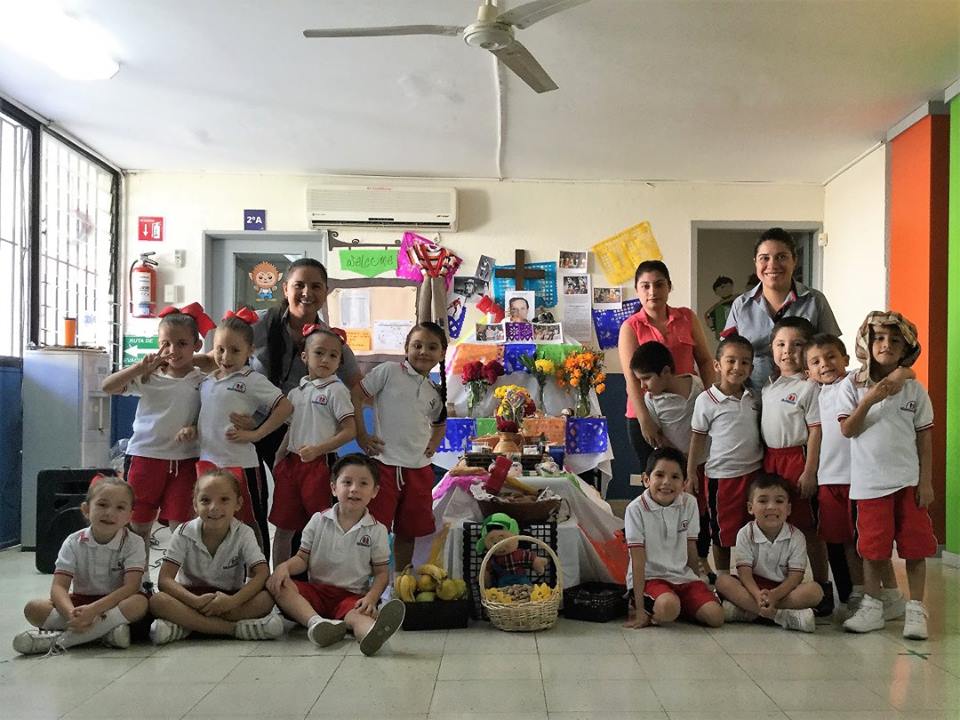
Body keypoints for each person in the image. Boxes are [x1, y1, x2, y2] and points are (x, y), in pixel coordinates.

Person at [839, 312, 935, 639]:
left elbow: (924, 438)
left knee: (916, 547)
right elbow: (848, 429)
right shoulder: (850, 385)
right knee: (872, 548)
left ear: (906, 346)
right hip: (869, 484)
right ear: (866, 342)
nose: (886, 345)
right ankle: (873, 606)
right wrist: (870, 398)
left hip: (908, 483)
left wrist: (926, 481)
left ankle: (916, 610)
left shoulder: (914, 390)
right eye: (879, 338)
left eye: (895, 340)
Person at [101, 302, 211, 579]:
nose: (173, 350)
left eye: (182, 343)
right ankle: (141, 582)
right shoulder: (148, 376)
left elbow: (210, 403)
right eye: (166, 343)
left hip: (185, 461)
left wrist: (194, 427)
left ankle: (182, 583)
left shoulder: (203, 380)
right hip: (145, 458)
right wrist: (139, 366)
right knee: (139, 525)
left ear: (196, 345)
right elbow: (107, 386)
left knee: (181, 526)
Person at [806, 334, 908, 617]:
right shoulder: (816, 392)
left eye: (831, 357)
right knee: (842, 540)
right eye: (816, 362)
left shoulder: (854, 383)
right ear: (809, 372)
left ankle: (891, 594)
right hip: (830, 479)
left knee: (868, 541)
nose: (825, 364)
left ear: (847, 361)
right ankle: (859, 592)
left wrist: (904, 372)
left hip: (859, 479)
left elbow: (903, 369)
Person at [267, 454, 405, 655]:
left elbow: (381, 573)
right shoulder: (318, 520)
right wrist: (284, 567)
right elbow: (301, 559)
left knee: (359, 616)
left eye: (363, 483)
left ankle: (371, 634)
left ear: (374, 491)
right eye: (347, 482)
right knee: (281, 586)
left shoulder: (377, 530)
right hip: (315, 593)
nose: (354, 489)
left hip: (350, 597)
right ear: (333, 488)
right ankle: (317, 623)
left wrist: (371, 597)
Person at [192, 310, 294, 553]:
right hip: (207, 463)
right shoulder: (206, 381)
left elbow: (286, 406)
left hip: (241, 465)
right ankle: (221, 574)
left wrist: (257, 433)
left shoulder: (252, 380)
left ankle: (259, 576)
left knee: (251, 523)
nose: (226, 357)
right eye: (220, 349)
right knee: (211, 521)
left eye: (235, 350)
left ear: (250, 351)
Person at [13, 476, 148, 655]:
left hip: (115, 605)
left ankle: (63, 641)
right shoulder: (73, 541)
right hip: (80, 604)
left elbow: (130, 587)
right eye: (102, 505)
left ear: (129, 516)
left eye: (120, 507)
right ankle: (104, 633)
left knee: (139, 603)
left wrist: (94, 610)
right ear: (86, 509)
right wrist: (71, 614)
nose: (109, 512)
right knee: (33, 608)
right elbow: (59, 587)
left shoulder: (134, 542)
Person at [351, 322, 447, 571]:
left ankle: (401, 582)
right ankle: (369, 582)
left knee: (408, 531)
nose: (423, 351)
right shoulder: (388, 371)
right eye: (417, 345)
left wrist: (433, 444)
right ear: (406, 348)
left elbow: (440, 423)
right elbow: (357, 395)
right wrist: (362, 434)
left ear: (442, 354)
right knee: (376, 529)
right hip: (385, 465)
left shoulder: (433, 392)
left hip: (419, 469)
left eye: (432, 347)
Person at [148, 469, 282, 644]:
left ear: (238, 504)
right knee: (158, 601)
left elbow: (262, 573)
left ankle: (186, 626)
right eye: (205, 500)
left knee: (267, 599)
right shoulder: (183, 532)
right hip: (191, 598)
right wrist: (195, 602)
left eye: (224, 500)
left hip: (228, 599)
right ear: (195, 505)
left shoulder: (243, 532)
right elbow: (165, 580)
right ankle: (233, 629)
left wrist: (232, 602)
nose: (214, 508)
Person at [759, 316, 832, 616]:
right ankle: (778, 584)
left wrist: (809, 470)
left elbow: (816, 430)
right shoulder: (768, 386)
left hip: (797, 459)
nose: (787, 350)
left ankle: (823, 587)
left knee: (808, 526)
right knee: (777, 523)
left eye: (796, 344)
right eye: (780, 344)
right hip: (770, 459)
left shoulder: (808, 386)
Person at [270, 325, 356, 565]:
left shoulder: (336, 390)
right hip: (291, 465)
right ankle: (279, 578)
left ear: (339, 361)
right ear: (304, 356)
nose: (326, 360)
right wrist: (279, 456)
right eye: (319, 353)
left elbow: (350, 430)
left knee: (321, 526)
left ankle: (319, 582)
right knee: (283, 527)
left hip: (320, 466)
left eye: (333, 355)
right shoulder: (296, 392)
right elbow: (292, 427)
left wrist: (319, 449)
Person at [618, 260, 714, 472]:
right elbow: (631, 379)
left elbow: (706, 361)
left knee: (693, 475)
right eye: (645, 286)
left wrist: (711, 401)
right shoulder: (630, 327)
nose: (653, 291)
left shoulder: (687, 317)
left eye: (659, 284)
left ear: (669, 287)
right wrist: (645, 419)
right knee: (658, 479)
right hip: (647, 413)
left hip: (688, 410)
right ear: (637, 290)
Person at [629, 341, 712, 580]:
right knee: (682, 511)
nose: (643, 387)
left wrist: (695, 462)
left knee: (703, 513)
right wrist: (682, 465)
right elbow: (660, 439)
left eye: (646, 379)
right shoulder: (652, 401)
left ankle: (702, 561)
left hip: (706, 462)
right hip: (680, 469)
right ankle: (676, 562)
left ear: (666, 372)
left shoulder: (697, 385)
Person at [722, 227, 841, 388]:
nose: (773, 265)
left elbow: (832, 352)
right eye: (764, 258)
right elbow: (726, 356)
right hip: (751, 399)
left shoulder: (814, 301)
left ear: (794, 260)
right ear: (755, 262)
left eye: (781, 257)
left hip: (804, 397)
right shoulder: (741, 306)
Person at [624, 447, 723, 629]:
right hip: (650, 578)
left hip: (682, 577)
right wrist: (639, 610)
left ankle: (678, 605)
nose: (666, 482)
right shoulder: (635, 509)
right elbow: (637, 561)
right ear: (646, 479)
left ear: (684, 482)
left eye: (675, 477)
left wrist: (696, 580)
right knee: (669, 607)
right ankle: (653, 605)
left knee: (716, 617)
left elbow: (690, 547)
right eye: (659, 475)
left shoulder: (689, 503)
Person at [688, 335, 762, 574]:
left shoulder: (754, 398)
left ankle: (753, 578)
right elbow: (697, 438)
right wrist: (691, 473)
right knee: (722, 531)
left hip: (754, 475)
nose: (737, 367)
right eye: (731, 361)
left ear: (751, 368)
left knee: (753, 529)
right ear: (717, 365)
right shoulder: (706, 401)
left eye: (744, 362)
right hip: (722, 478)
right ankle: (723, 580)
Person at [716, 474, 823, 633]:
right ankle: (779, 616)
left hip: (783, 590)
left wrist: (774, 595)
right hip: (752, 588)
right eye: (763, 501)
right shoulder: (745, 533)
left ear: (788, 509)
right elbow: (744, 573)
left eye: (779, 501)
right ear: (750, 507)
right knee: (722, 581)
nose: (771, 507)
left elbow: (795, 576)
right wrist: (758, 595)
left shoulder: (797, 536)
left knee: (815, 591)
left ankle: (748, 613)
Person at [703, 275, 735, 340]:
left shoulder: (738, 301)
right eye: (721, 287)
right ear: (716, 292)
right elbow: (710, 322)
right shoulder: (716, 308)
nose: (724, 289)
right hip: (723, 336)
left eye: (726, 286)